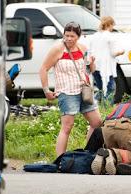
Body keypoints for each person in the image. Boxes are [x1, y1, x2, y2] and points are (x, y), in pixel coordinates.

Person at [38, 22, 102, 156]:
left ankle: (88, 153)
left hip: (84, 91)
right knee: (67, 126)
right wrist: (46, 91)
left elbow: (91, 70)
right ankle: (60, 159)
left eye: (72, 36)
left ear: (78, 36)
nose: (68, 39)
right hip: (66, 92)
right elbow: (43, 69)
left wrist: (92, 62)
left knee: (97, 123)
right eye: (66, 35)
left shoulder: (82, 48)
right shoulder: (57, 49)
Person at [89, 16, 125, 103]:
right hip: (106, 68)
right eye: (113, 25)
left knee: (101, 89)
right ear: (110, 24)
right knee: (110, 89)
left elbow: (91, 50)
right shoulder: (110, 36)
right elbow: (113, 53)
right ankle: (106, 110)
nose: (113, 28)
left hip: (95, 66)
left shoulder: (94, 36)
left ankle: (94, 104)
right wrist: (121, 52)